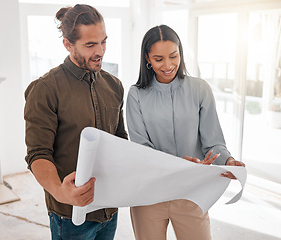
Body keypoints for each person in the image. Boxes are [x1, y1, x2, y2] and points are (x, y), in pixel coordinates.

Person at [126, 25, 246, 240]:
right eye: (158, 58)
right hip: (149, 194)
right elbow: (141, 150)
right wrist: (180, 162)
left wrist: (228, 161)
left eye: (173, 56)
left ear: (180, 52)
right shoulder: (136, 95)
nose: (168, 65)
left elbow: (213, 142)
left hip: (191, 192)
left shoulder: (200, 89)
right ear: (147, 58)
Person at [24, 4, 127, 240]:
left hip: (109, 208)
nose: (100, 51)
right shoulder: (46, 89)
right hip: (70, 215)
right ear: (68, 45)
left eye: (103, 41)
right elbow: (38, 154)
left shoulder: (114, 85)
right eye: (90, 45)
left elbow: (120, 139)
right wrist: (61, 192)